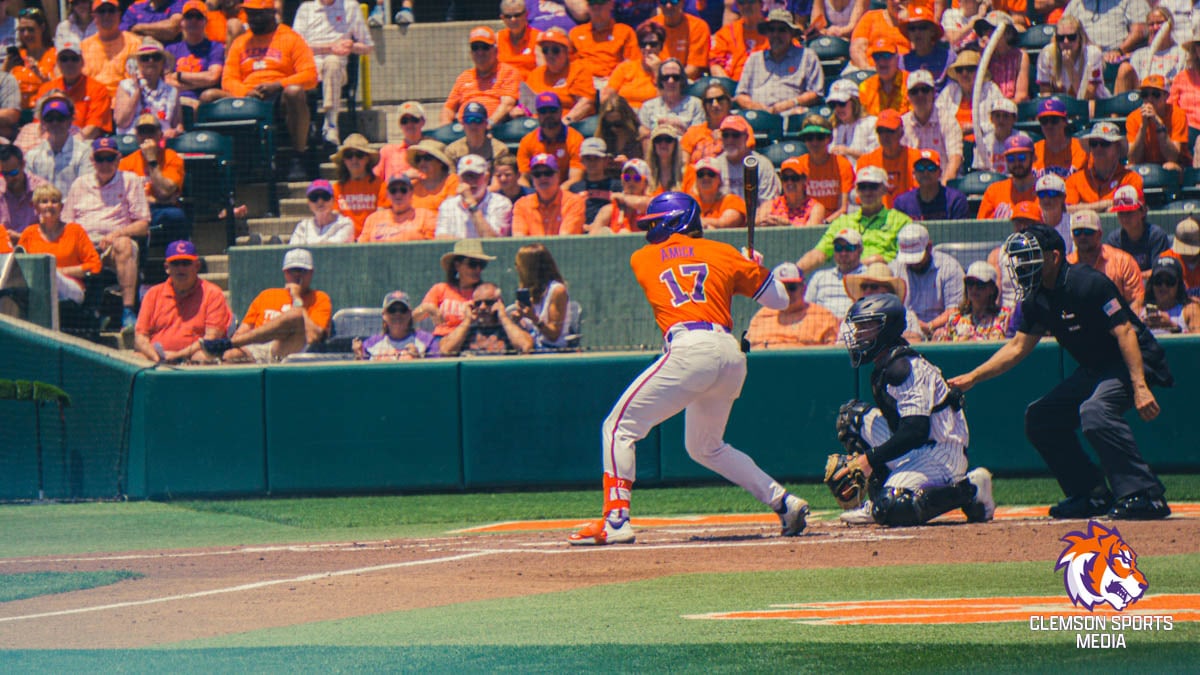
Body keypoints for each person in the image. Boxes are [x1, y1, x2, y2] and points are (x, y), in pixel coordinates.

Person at [568, 191, 808, 545]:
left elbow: (683, 263)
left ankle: (617, 520)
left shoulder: (643, 258)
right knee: (705, 447)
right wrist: (754, 267)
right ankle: (783, 502)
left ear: (675, 221)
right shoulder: (724, 253)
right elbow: (780, 300)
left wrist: (743, 266)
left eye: (656, 223)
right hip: (729, 356)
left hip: (690, 349)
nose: (650, 231)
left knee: (618, 427)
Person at [949, 224, 1172, 520]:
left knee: (1096, 411)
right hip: (1096, 368)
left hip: (1134, 360)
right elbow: (1017, 347)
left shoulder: (1087, 282)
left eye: (1031, 258)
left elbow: (1125, 332)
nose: (1023, 266)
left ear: (1054, 257)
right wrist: (973, 377)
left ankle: (1146, 494)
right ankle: (1091, 494)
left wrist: (1139, 385)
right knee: (1041, 417)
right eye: (1020, 260)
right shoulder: (1036, 298)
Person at [830, 292, 994, 526]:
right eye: (859, 327)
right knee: (852, 419)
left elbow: (915, 430)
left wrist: (868, 460)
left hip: (941, 452)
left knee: (892, 506)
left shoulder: (904, 368)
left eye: (867, 326)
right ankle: (877, 500)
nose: (858, 334)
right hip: (917, 447)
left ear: (886, 329)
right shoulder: (886, 364)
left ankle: (971, 489)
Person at [212, 0, 318, 180]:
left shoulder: (291, 38)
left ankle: (298, 155)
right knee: (209, 96)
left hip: (278, 98)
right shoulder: (240, 42)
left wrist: (278, 85)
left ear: (271, 13)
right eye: (250, 14)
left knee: (294, 92)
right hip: (248, 97)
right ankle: (223, 163)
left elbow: (310, 76)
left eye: (258, 14)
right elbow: (228, 79)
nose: (253, 19)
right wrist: (246, 91)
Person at [62, 136, 148, 331]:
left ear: (118, 159)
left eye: (110, 158)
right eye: (100, 159)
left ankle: (128, 309)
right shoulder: (79, 184)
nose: (105, 164)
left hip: (112, 246)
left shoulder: (130, 181)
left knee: (125, 245)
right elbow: (67, 223)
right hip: (83, 245)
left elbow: (143, 225)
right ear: (92, 160)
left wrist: (116, 234)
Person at [215, 248, 332, 363]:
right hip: (257, 349)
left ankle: (228, 344)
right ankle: (229, 347)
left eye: (302, 271)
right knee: (231, 355)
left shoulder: (320, 298)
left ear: (311, 273)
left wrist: (297, 299)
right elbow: (242, 331)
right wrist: (236, 343)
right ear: (285, 273)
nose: (297, 276)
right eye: (293, 271)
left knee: (296, 315)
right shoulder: (267, 295)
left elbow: (313, 337)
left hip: (289, 350)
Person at [798, 165, 912, 275]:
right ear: (856, 191)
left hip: (883, 279)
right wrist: (796, 271)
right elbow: (819, 253)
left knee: (878, 269)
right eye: (862, 187)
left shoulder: (900, 221)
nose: (867, 192)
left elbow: (908, 259)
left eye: (873, 186)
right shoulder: (843, 222)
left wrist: (879, 261)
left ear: (885, 189)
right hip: (846, 278)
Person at [134, 240, 231, 363]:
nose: (181, 268)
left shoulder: (212, 294)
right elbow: (140, 337)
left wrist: (177, 355)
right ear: (167, 268)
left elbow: (211, 339)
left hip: (193, 359)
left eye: (186, 263)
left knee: (202, 358)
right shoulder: (153, 294)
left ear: (197, 266)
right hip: (157, 358)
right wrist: (154, 356)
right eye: (175, 263)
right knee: (134, 359)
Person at [291, 0, 373, 145]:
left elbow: (367, 46)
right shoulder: (305, 9)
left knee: (332, 63)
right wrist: (329, 47)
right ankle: (309, 127)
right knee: (314, 70)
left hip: (338, 67)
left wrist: (352, 45)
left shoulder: (350, 6)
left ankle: (331, 125)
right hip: (311, 64)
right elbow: (296, 46)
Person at [17, 184, 100, 305]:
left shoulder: (75, 231)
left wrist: (60, 271)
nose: (49, 205)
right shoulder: (29, 233)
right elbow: (19, 265)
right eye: (44, 202)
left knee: (48, 271)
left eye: (54, 201)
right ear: (36, 207)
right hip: (37, 289)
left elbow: (95, 265)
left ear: (61, 207)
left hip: (72, 289)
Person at [733, 10, 822, 116]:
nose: (776, 34)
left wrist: (790, 103)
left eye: (781, 30)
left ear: (792, 33)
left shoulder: (807, 56)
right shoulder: (755, 59)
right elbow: (741, 95)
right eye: (771, 30)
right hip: (758, 116)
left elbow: (815, 93)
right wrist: (756, 107)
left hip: (792, 114)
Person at [118, 112, 188, 240]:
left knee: (175, 215)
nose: (146, 136)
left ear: (160, 135)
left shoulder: (171, 157)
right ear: (137, 135)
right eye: (142, 131)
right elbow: (122, 196)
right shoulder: (126, 162)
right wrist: (153, 199)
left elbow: (165, 191)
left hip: (159, 210)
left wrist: (152, 160)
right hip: (134, 211)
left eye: (151, 131)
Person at [889, 222, 965, 336]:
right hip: (903, 331)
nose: (912, 263)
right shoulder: (893, 269)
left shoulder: (950, 267)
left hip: (940, 331)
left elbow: (955, 310)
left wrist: (929, 326)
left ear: (929, 247)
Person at [414, 239, 494, 347]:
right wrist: (428, 308)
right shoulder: (440, 289)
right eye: (473, 264)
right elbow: (412, 318)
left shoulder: (484, 294)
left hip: (472, 342)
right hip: (441, 341)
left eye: (482, 265)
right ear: (457, 266)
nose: (478, 269)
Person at [1068, 209, 1146, 314]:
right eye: (1077, 232)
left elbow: (1136, 300)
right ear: (1072, 236)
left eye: (1088, 232)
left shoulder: (1123, 261)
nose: (1082, 237)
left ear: (1099, 234)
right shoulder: (1066, 266)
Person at [745, 261, 838, 348]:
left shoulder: (823, 317)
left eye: (791, 288)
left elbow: (832, 359)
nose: (786, 293)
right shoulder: (762, 316)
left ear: (804, 289)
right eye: (780, 288)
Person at [441, 26, 520, 126]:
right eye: (475, 48)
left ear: (496, 51)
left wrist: (488, 125)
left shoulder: (508, 72)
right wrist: (446, 130)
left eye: (485, 47)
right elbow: (448, 108)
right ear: (470, 53)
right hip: (464, 130)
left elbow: (507, 105)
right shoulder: (464, 76)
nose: (480, 52)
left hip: (494, 129)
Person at [37, 39, 111, 140]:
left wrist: (69, 144)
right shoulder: (46, 89)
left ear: (82, 62)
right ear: (58, 63)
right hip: (50, 141)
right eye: (64, 59)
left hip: (84, 142)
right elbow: (39, 124)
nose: (69, 63)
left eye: (74, 58)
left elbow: (94, 128)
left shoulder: (98, 89)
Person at [438, 281, 535, 356]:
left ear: (499, 303)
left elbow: (526, 347)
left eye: (489, 302)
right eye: (478, 303)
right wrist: (467, 320)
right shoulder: (465, 331)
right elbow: (445, 350)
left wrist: (503, 317)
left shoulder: (509, 329)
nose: (482, 307)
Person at [1066, 122, 1145, 213]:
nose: (1098, 148)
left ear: (1117, 148)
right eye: (1094, 143)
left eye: (1105, 143)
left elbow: (1131, 212)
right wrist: (1105, 204)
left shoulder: (1131, 179)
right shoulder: (1075, 180)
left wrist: (1082, 207)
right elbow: (1067, 210)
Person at [113, 37, 182, 138]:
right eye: (145, 58)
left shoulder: (172, 90)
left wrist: (175, 131)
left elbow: (178, 125)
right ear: (137, 63)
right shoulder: (126, 86)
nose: (151, 61)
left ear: (163, 62)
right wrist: (137, 91)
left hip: (162, 140)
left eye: (156, 57)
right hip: (132, 141)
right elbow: (122, 122)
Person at [524, 27, 596, 124]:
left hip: (571, 122)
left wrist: (566, 121)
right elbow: (527, 105)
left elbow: (586, 103)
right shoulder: (536, 73)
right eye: (545, 50)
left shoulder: (579, 70)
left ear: (566, 52)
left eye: (555, 50)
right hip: (539, 123)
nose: (550, 54)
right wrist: (520, 110)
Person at [25, 93, 92, 196]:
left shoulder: (85, 153)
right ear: (42, 122)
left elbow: (85, 191)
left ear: (70, 121)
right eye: (49, 119)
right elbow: (28, 192)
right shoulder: (32, 155)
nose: (55, 123)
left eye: (60, 118)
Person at [900, 69, 963, 180]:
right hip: (911, 189)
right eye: (914, 91)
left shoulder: (947, 120)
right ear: (908, 96)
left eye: (925, 90)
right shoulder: (902, 124)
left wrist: (942, 188)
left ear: (933, 93)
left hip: (941, 185)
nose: (920, 95)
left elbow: (955, 158)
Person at [840, 261, 924, 342]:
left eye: (874, 286)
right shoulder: (850, 317)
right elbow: (839, 348)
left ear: (888, 291)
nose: (867, 291)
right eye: (864, 286)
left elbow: (914, 344)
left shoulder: (907, 316)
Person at [936, 49, 1006, 144]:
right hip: (952, 144)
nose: (964, 74)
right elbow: (936, 119)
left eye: (970, 69)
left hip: (984, 145)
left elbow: (1002, 122)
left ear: (979, 71)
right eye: (960, 70)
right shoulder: (949, 91)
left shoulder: (991, 89)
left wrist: (975, 128)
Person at [164, 1, 225, 109]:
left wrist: (179, 75)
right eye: (189, 17)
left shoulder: (215, 47)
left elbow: (212, 77)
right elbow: (166, 81)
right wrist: (195, 83)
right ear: (182, 22)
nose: (193, 20)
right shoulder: (171, 49)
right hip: (175, 100)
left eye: (198, 17)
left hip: (203, 102)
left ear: (205, 22)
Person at [791, 115, 852, 221]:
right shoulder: (798, 165)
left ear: (829, 139)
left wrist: (823, 223)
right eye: (809, 137)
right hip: (805, 222)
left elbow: (843, 208)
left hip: (833, 223)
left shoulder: (842, 164)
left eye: (820, 137)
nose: (815, 142)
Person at [437, 154, 513, 238]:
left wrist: (472, 205)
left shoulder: (501, 203)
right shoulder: (448, 205)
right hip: (456, 251)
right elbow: (441, 238)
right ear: (459, 179)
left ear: (486, 177)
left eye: (475, 176)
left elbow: (492, 242)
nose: (470, 181)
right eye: (466, 176)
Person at [516, 91, 583, 187]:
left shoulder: (575, 139)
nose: (548, 115)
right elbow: (522, 178)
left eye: (552, 110)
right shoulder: (527, 141)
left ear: (561, 111)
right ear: (537, 114)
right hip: (536, 193)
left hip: (565, 192)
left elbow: (576, 178)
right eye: (543, 111)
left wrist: (554, 195)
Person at [511, 242, 570, 350]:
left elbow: (554, 335)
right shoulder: (529, 291)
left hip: (551, 351)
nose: (516, 268)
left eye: (519, 265)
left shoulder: (557, 291)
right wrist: (518, 319)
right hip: (530, 349)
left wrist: (534, 318)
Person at [932, 261, 1011, 341]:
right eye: (970, 283)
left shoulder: (1005, 317)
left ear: (992, 289)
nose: (974, 289)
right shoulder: (955, 320)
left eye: (980, 284)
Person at [857, 109, 921, 208]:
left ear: (901, 132)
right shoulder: (865, 162)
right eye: (880, 131)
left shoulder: (915, 157)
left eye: (890, 131)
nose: (885, 136)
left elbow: (919, 194)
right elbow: (860, 199)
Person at [1115, 7, 1187, 94]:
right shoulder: (1139, 54)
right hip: (1143, 96)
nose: (1155, 27)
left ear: (1170, 25)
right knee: (1124, 68)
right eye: (1151, 24)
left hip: (1169, 95)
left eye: (1160, 23)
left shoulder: (1183, 52)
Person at [1105, 185, 1171, 278]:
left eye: (1129, 212)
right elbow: (1111, 273)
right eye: (1121, 213)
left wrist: (1132, 277)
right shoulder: (1114, 239)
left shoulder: (1156, 235)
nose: (1124, 218)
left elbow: (1160, 270)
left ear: (1143, 211)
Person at [512, 152, 586, 235]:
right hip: (532, 248)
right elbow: (519, 238)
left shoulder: (573, 202)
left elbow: (565, 240)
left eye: (548, 173)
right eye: (537, 174)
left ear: (558, 175)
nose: (543, 178)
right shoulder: (521, 205)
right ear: (532, 178)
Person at [1037, 17, 1110, 100]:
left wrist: (1070, 68)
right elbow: (1045, 93)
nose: (1066, 42)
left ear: (1080, 37)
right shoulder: (1047, 54)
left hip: (1096, 104)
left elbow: (1085, 98)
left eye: (1071, 37)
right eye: (1060, 38)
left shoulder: (1093, 54)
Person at [1127, 75, 1190, 171]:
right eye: (1145, 94)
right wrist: (1143, 127)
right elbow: (1133, 159)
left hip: (1178, 166)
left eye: (1156, 94)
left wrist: (1158, 123)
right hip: (1145, 165)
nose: (1150, 99)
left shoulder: (1177, 115)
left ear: (1166, 96)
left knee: (1170, 166)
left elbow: (1173, 157)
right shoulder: (1133, 117)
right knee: (1129, 169)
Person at [329, 134, 386, 239]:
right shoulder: (337, 188)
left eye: (359, 155)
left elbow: (381, 217)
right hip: (345, 241)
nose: (354, 160)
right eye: (349, 155)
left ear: (367, 158)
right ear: (344, 160)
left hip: (372, 240)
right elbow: (334, 219)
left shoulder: (380, 185)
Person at [713, 115, 779, 205]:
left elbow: (768, 204)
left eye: (735, 135)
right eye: (725, 135)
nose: (730, 140)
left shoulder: (762, 165)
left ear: (746, 137)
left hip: (756, 217)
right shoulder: (715, 165)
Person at [81, 0, 141, 99]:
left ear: (119, 14)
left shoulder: (134, 43)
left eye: (111, 11)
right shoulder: (84, 46)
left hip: (122, 101)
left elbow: (134, 83)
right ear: (93, 16)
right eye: (102, 11)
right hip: (92, 102)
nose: (106, 15)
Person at [568, 0, 637, 85]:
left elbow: (633, 64)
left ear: (611, 4)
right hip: (584, 83)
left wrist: (614, 82)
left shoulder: (625, 31)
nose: (596, 7)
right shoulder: (576, 33)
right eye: (592, 3)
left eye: (600, 2)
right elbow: (569, 65)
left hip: (613, 83)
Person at [600, 20, 665, 111]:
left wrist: (657, 72)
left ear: (661, 46)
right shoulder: (625, 68)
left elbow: (665, 104)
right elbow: (607, 96)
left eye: (653, 44)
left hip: (651, 115)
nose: (648, 48)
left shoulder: (668, 70)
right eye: (643, 44)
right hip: (625, 115)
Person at [353, 290, 434, 360]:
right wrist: (358, 358)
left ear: (410, 314)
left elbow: (435, 374)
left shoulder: (427, 341)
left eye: (403, 310)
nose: (397, 314)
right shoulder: (370, 345)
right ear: (384, 315)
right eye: (392, 310)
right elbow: (361, 375)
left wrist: (419, 361)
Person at [804, 227, 865, 318]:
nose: (843, 253)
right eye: (838, 248)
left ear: (860, 250)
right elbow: (807, 308)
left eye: (849, 248)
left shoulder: (868, 276)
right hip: (822, 325)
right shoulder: (820, 277)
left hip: (854, 325)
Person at [893, 150, 969, 222]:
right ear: (914, 173)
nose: (925, 173)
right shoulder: (902, 203)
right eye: (920, 168)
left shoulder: (955, 200)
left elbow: (960, 233)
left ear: (939, 173)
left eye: (931, 168)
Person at [1061, 0, 1150, 61]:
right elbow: (1061, 29)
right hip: (1084, 57)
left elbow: (1140, 31)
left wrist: (1119, 51)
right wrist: (1089, 47)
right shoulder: (1077, 3)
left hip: (1118, 58)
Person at [358, 174, 437, 242]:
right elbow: (361, 248)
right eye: (393, 190)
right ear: (387, 194)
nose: (398, 195)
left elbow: (431, 249)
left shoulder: (425, 216)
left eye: (403, 190)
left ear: (411, 192)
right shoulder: (373, 218)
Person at [4, 5, 55, 110]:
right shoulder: (17, 57)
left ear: (42, 28)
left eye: (31, 29)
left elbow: (61, 87)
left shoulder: (55, 55)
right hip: (16, 113)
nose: (26, 34)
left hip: (45, 112)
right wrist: (5, 70)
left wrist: (40, 76)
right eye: (22, 30)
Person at [977, 133, 1037, 220]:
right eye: (1011, 159)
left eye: (1022, 157)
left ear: (1033, 157)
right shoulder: (994, 191)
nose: (1017, 163)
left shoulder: (1043, 191)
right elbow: (983, 229)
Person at [974, 11, 1030, 104]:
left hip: (1012, 109)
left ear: (1007, 33)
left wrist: (1001, 107)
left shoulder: (1020, 56)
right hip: (986, 107)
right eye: (985, 29)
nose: (987, 33)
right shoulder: (980, 55)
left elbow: (1021, 96)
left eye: (993, 29)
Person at [649, 0, 710, 80]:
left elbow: (694, 70)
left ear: (682, 3)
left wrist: (669, 80)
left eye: (674, 1)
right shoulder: (650, 27)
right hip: (656, 80)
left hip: (686, 82)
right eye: (663, 1)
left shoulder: (698, 27)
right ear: (658, 4)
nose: (668, 6)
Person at [638, 58, 702, 132]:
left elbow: (697, 136)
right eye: (666, 77)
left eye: (676, 77)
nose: (671, 81)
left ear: (682, 80)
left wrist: (682, 128)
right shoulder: (648, 107)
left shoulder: (695, 104)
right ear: (660, 80)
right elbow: (645, 138)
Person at [709, 0, 768, 81]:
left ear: (761, 5)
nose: (746, 6)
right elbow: (715, 64)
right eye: (742, 3)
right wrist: (727, 84)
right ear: (737, 6)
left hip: (764, 83)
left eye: (751, 2)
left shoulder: (774, 31)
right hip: (732, 85)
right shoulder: (727, 32)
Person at [1141, 255, 1199, 334]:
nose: (1163, 286)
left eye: (1169, 281)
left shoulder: (1190, 310)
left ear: (1178, 284)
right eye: (1158, 281)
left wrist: (1172, 327)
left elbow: (1196, 342)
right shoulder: (1140, 308)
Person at [760, 157, 825, 227]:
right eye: (785, 178)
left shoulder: (815, 208)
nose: (789, 182)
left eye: (794, 178)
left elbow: (809, 235)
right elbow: (756, 225)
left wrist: (789, 226)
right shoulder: (770, 205)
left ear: (804, 180)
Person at [1032, 97, 1087, 179]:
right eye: (1044, 121)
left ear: (1065, 122)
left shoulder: (1080, 149)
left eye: (1054, 120)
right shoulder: (1033, 151)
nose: (1049, 125)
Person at [827, 79, 878, 167]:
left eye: (841, 103)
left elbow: (876, 158)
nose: (837, 108)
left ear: (855, 102)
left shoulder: (872, 123)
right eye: (833, 105)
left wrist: (849, 152)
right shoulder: (833, 127)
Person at [680, 79, 732, 163]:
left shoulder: (740, 130)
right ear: (704, 106)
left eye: (720, 99)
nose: (715, 104)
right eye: (709, 101)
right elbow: (683, 164)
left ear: (728, 102)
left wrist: (724, 141)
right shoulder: (693, 132)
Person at [445, 101, 510, 169]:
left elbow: (500, 177)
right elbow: (452, 178)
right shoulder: (453, 151)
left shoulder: (499, 149)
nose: (473, 125)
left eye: (478, 120)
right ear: (463, 124)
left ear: (486, 124)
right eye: (469, 120)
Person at [591, 157, 649, 232]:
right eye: (627, 178)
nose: (631, 182)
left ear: (646, 183)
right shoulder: (609, 210)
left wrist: (623, 197)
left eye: (637, 178)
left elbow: (642, 203)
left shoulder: (651, 206)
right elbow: (592, 239)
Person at [899, 5, 951, 88]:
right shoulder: (903, 62)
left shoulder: (948, 58)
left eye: (922, 27)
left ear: (932, 31)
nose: (917, 32)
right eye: (912, 29)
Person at [572, 136, 621, 223]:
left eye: (596, 158)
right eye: (588, 158)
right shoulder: (575, 189)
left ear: (605, 160)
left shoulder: (618, 186)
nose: (592, 163)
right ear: (582, 160)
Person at [849, 0, 908, 71]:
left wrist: (906, 21)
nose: (897, 1)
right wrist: (867, 69)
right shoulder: (871, 17)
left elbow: (919, 50)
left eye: (903, 0)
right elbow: (857, 49)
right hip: (867, 69)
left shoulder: (916, 25)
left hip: (903, 72)